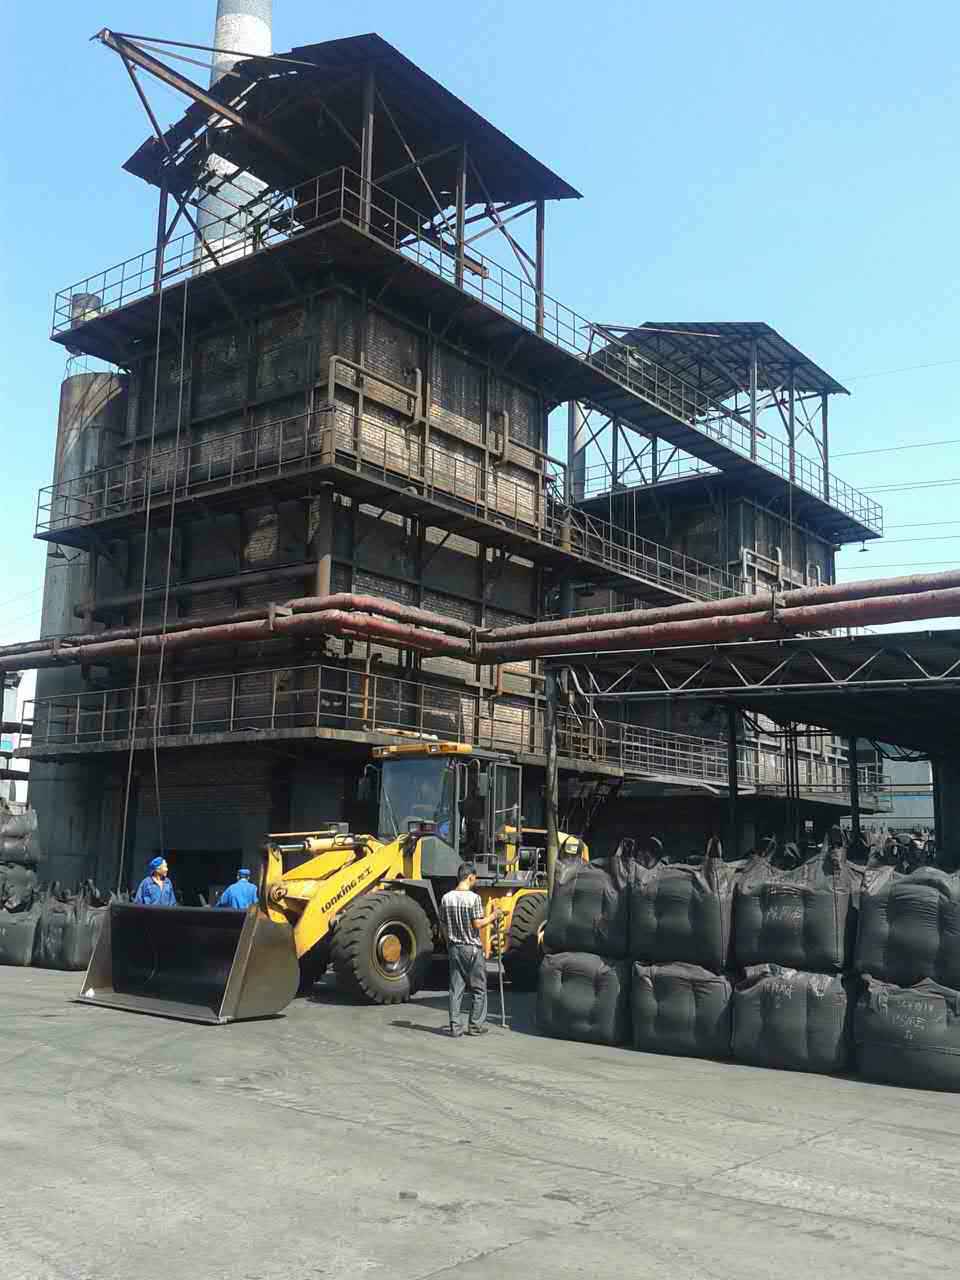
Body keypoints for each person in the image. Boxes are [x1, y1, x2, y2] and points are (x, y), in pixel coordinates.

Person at [440, 863, 500, 1038]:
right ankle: (475, 1026)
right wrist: (493, 916)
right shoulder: (474, 899)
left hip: (454, 948)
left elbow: (443, 924)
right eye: (475, 878)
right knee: (479, 989)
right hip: (472, 949)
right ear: (470, 877)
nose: (476, 881)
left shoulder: (446, 898)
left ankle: (455, 1027)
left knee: (456, 989)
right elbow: (477, 924)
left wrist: (449, 942)